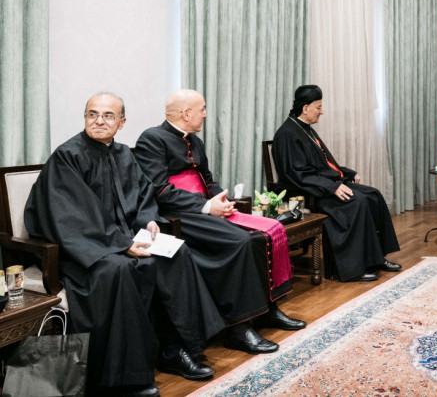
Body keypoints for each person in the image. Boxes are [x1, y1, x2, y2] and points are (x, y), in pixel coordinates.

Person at [24, 93, 223, 397]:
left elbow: (142, 197)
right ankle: (128, 377)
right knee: (120, 270)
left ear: (122, 122)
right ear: (85, 118)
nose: (99, 121)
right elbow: (70, 218)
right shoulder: (67, 156)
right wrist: (121, 245)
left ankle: (176, 350)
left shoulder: (124, 155)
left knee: (176, 253)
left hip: (121, 240)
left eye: (108, 115)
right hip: (82, 252)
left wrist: (148, 222)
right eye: (92, 114)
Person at [134, 89, 305, 356]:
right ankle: (238, 329)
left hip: (205, 209)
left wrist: (220, 199)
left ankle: (267, 310)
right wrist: (206, 206)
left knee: (262, 235)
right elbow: (160, 190)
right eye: (201, 109)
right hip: (179, 215)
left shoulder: (195, 141)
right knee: (240, 241)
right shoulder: (152, 139)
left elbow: (208, 180)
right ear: (185, 113)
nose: (204, 113)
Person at [272, 85, 401, 282]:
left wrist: (347, 173)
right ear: (305, 108)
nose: (322, 111)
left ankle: (376, 258)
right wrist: (332, 187)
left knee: (373, 195)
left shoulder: (305, 129)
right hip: (310, 192)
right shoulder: (287, 134)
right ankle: (351, 269)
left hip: (324, 185)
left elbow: (323, 164)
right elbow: (295, 174)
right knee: (357, 201)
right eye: (319, 107)